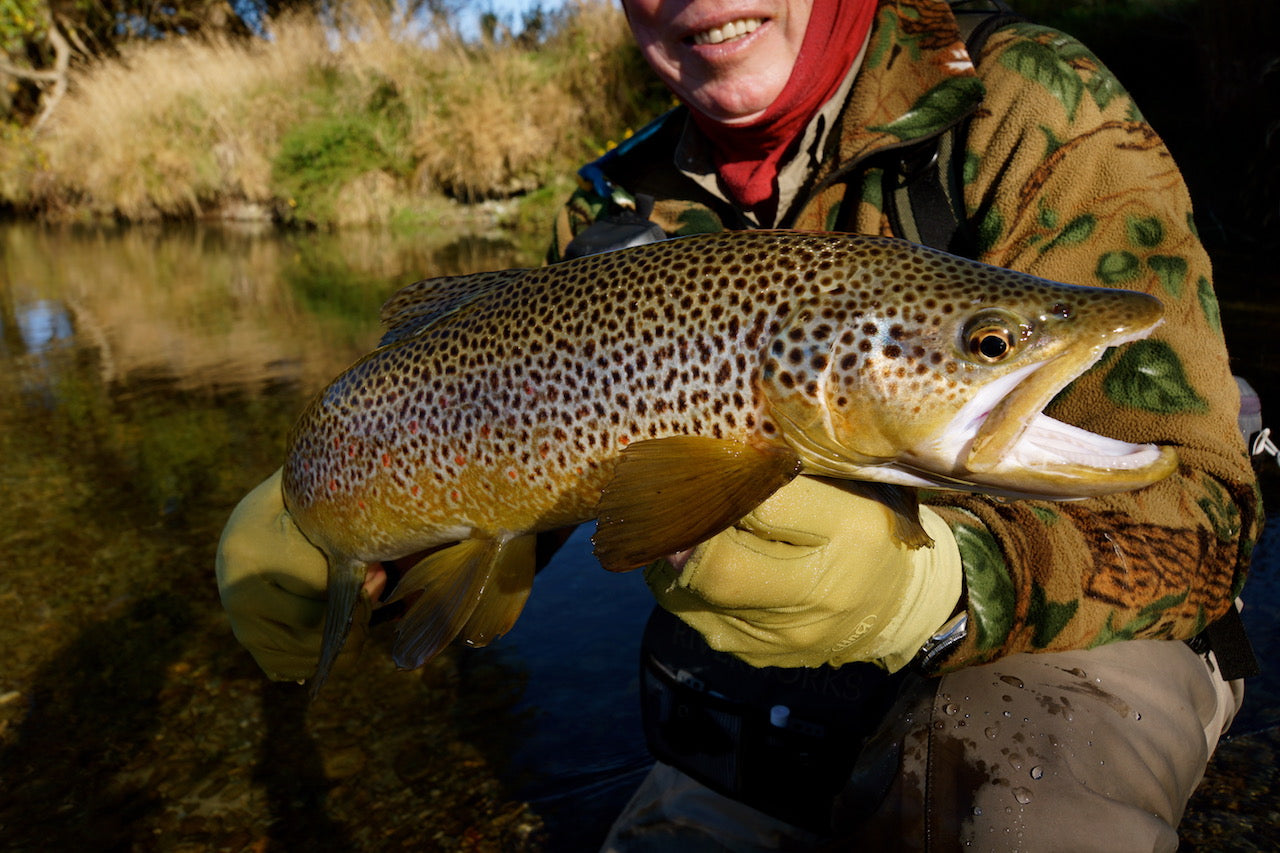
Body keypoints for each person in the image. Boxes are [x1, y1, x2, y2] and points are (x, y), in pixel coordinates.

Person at [216, 1, 1261, 849]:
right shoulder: (627, 211)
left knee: (1017, 811)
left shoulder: (1022, 98)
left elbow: (1206, 518)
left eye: (984, 345)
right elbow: (529, 469)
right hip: (772, 676)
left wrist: (930, 590)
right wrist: (334, 508)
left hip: (1072, 645)